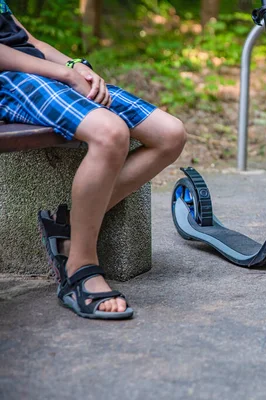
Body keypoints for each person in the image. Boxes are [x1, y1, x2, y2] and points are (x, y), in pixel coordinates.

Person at [0, 1, 187, 319]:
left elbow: (26, 41)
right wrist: (65, 73)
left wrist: (77, 67)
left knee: (170, 134)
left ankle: (67, 229)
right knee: (110, 132)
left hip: (39, 75)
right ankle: (79, 267)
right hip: (10, 80)